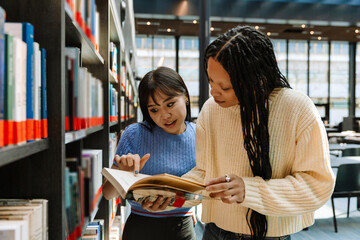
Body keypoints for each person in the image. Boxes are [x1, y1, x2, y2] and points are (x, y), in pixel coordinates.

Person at [183, 25, 335, 240]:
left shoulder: (297, 108)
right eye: (210, 80)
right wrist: (175, 194)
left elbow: (316, 184)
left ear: (256, 80)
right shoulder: (211, 109)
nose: (213, 92)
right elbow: (205, 172)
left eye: (225, 87)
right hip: (215, 231)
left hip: (270, 236)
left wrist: (248, 190)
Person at [102, 66, 197, 240]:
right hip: (141, 228)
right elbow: (107, 194)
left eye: (170, 104)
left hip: (183, 228)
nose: (165, 115)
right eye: (154, 109)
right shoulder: (134, 134)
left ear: (185, 97)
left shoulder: (200, 135)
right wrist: (123, 174)